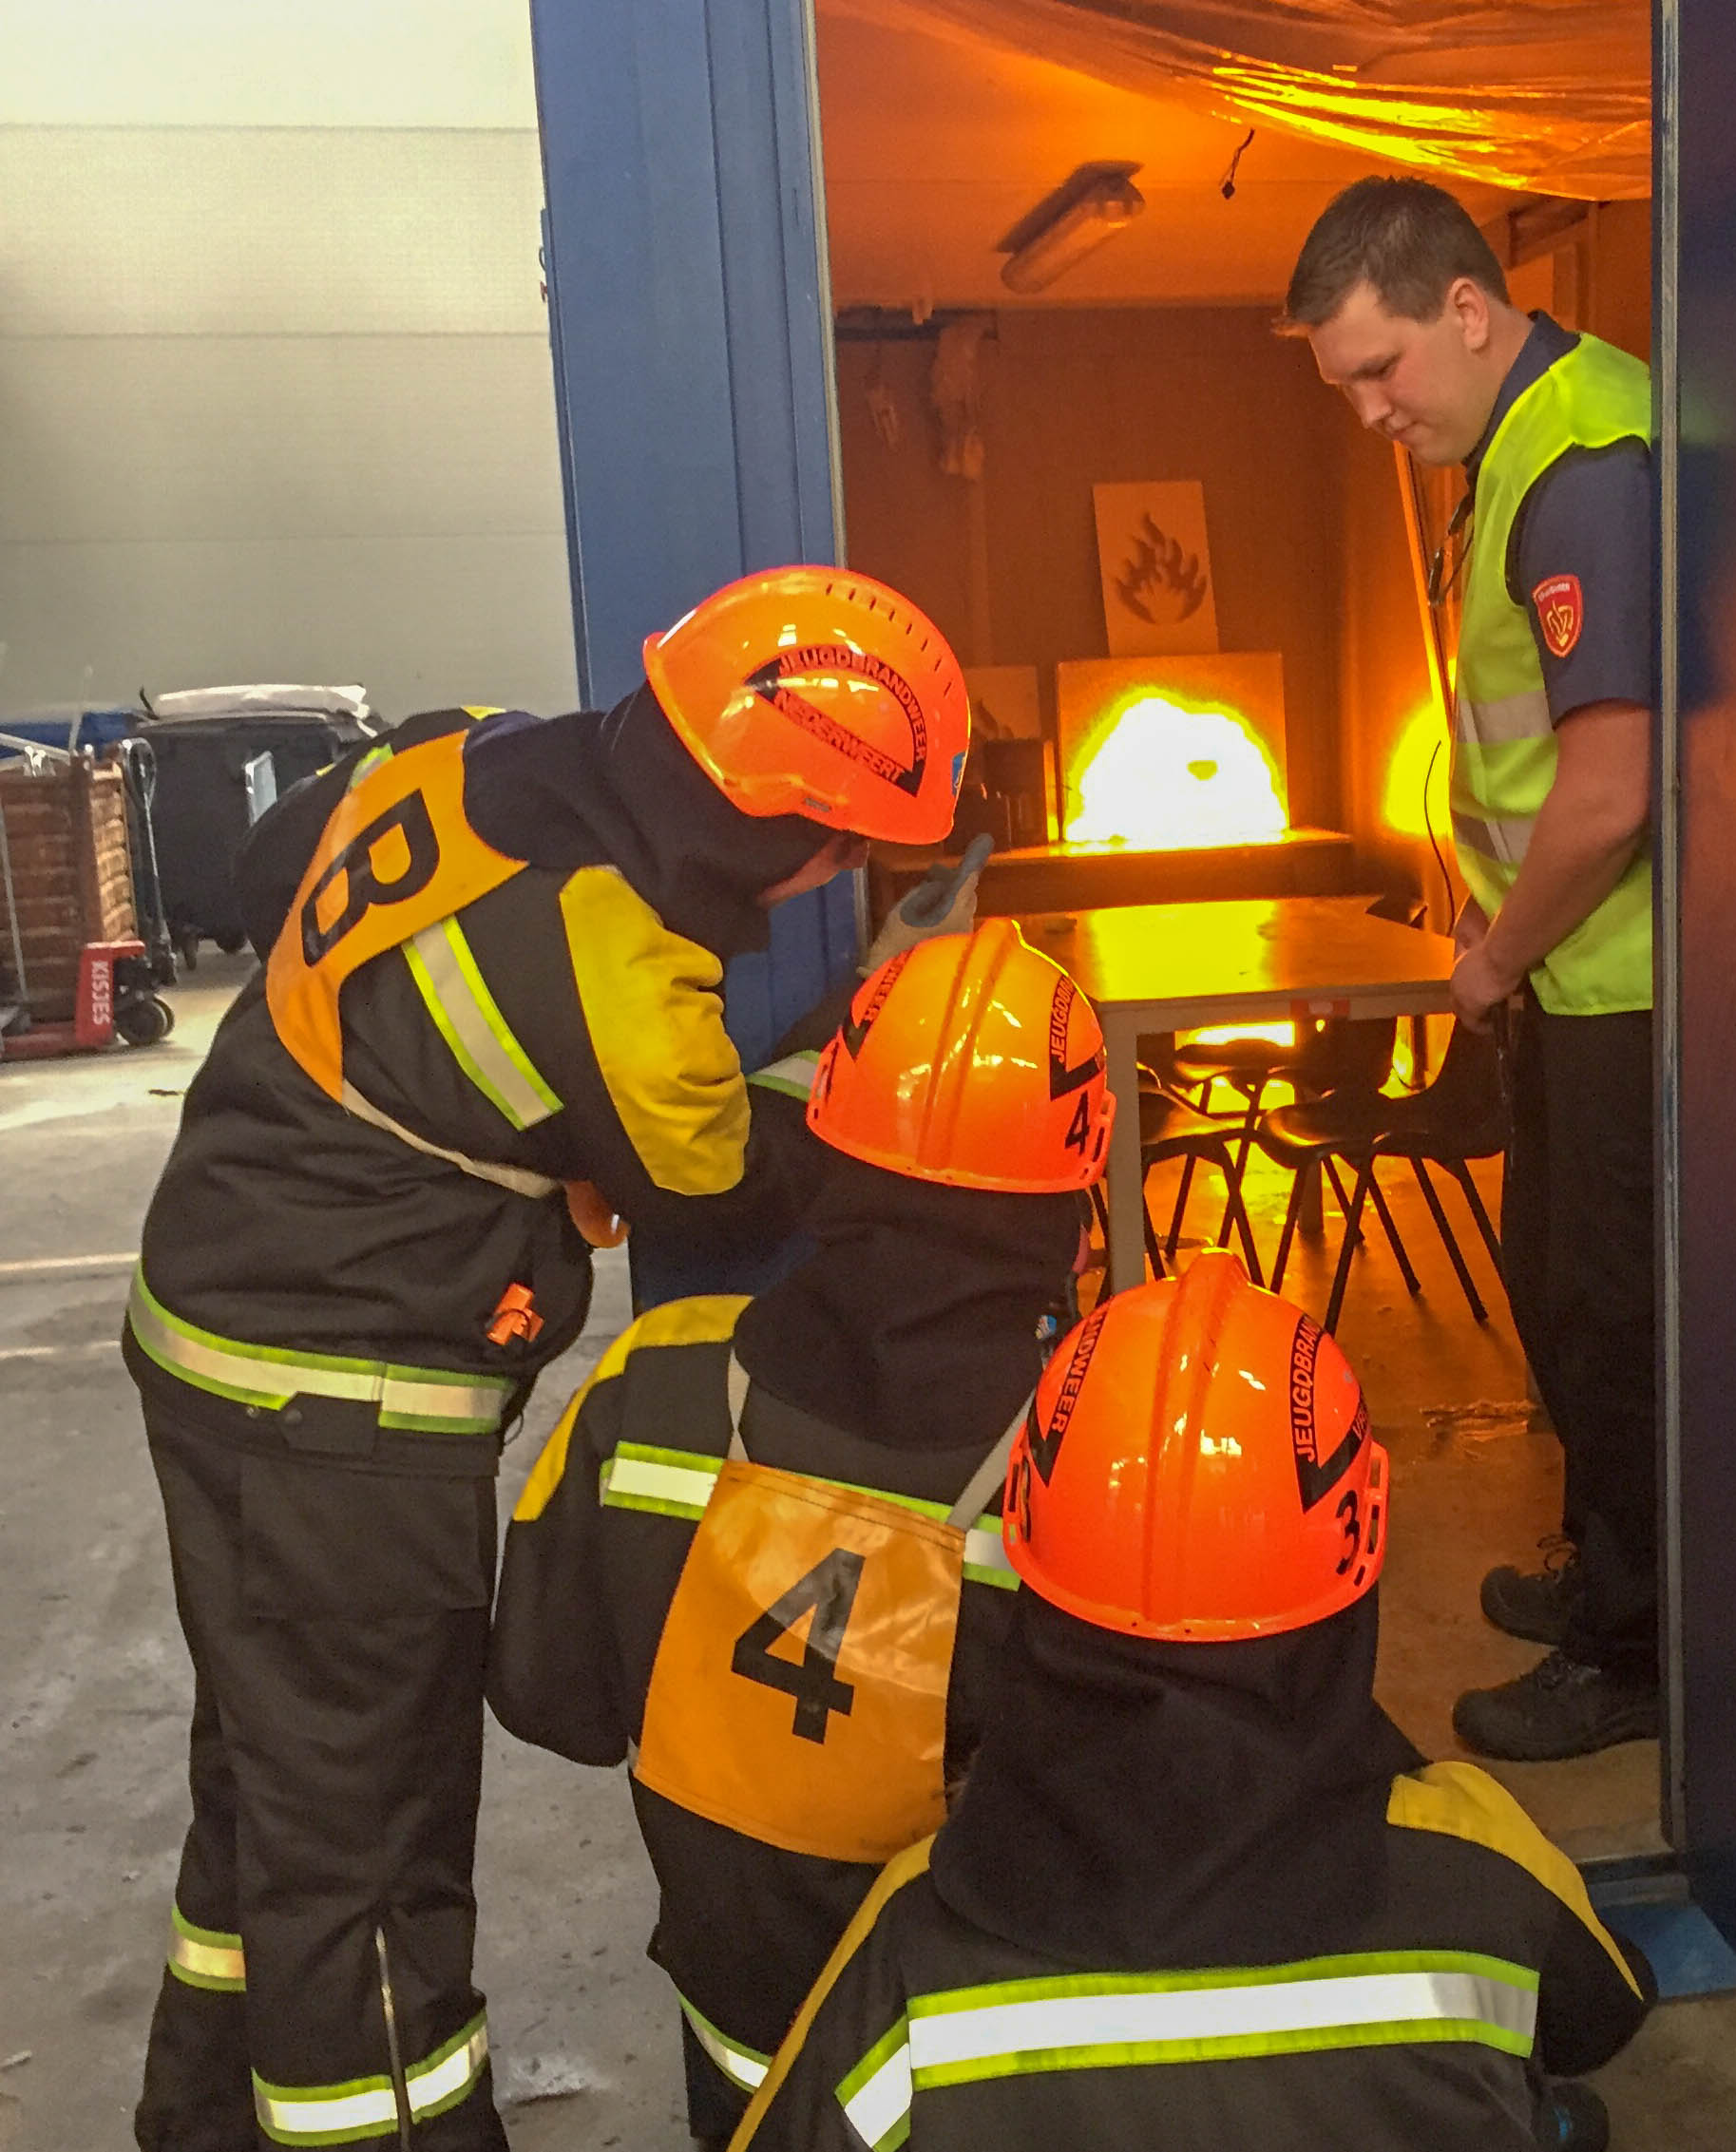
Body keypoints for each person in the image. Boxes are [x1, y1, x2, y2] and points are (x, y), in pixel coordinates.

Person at [125, 564, 969, 2151]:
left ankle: (197, 2119)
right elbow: (717, 1190)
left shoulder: (456, 750)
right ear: (786, 827)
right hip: (336, 1409)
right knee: (371, 1857)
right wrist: (854, 1037)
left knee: (279, 1781)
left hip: (214, 1315)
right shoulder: (627, 968)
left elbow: (265, 859)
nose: (848, 870)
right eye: (853, 843)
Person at [723, 1251, 1653, 2152]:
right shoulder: (1477, 1862)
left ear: (1028, 1539)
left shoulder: (913, 1953)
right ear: (1360, 1534)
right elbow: (1605, 2006)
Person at [486, 918, 1111, 2147]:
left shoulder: (652, 1377)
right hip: (977, 2076)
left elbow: (548, 1697)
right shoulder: (1091, 1456)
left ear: (829, 1151)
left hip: (739, 2044)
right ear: (1073, 1194)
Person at [1285, 177, 1659, 1761]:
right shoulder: (1507, 451)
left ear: (1465, 307)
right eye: (1344, 387)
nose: (1371, 412)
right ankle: (1606, 1575)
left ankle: (1639, 1654)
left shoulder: (1577, 463)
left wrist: (1494, 955)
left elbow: (1612, 785)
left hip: (1620, 980)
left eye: (1380, 370)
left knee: (1614, 1321)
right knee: (1559, 1299)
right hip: (1562, 977)